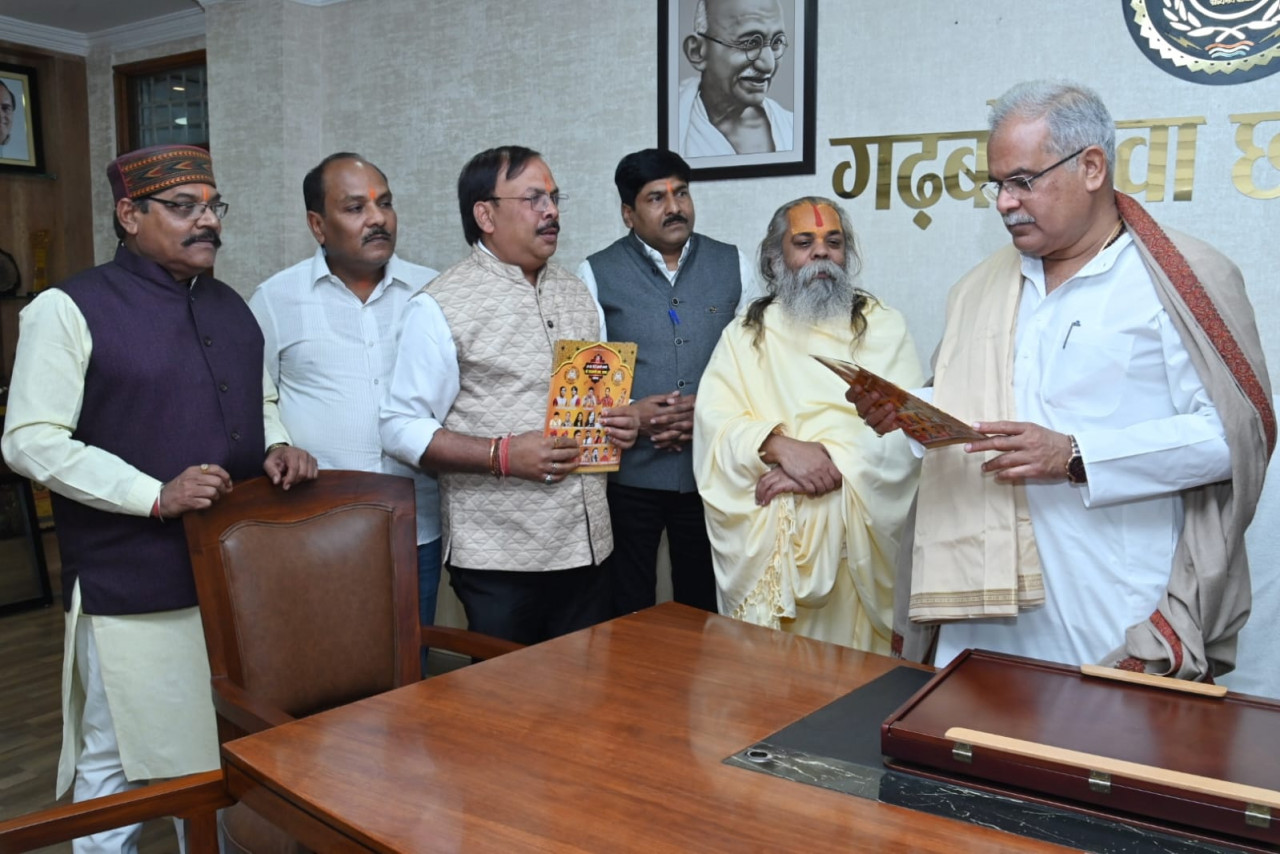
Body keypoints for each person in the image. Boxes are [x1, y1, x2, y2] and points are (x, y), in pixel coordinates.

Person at [850, 81, 1274, 680]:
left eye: (1023, 180)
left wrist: (1076, 455)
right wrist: (910, 413)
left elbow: (1231, 440)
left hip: (1107, 602)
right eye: (997, 184)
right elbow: (979, 408)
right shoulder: (981, 288)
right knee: (961, 756)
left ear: (1092, 167)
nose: (1004, 202)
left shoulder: (1177, 282)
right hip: (979, 599)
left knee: (1098, 759)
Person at [1, 144, 317, 853]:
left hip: (234, 577)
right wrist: (152, 495)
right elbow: (28, 440)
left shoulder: (230, 304)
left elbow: (256, 401)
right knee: (120, 762)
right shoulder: (69, 307)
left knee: (212, 752)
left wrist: (278, 446)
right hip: (132, 581)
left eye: (213, 206)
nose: (207, 222)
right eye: (184, 208)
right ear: (128, 214)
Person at [380, 145, 638, 644]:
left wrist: (620, 423)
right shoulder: (440, 305)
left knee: (588, 703)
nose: (552, 211)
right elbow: (399, 426)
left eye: (555, 197)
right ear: (485, 214)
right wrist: (501, 454)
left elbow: (593, 400)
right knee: (508, 713)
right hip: (500, 560)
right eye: (534, 198)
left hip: (589, 547)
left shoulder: (577, 292)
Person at [693, 196, 923, 652]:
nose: (821, 253)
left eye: (833, 242)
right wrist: (777, 446)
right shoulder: (747, 334)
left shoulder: (883, 326)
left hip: (860, 537)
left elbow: (909, 429)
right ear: (776, 259)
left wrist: (836, 463)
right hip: (777, 535)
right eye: (804, 242)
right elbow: (715, 423)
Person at [249, 152, 442, 674]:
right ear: (318, 224)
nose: (377, 218)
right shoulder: (276, 298)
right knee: (322, 669)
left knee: (408, 669)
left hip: (415, 523)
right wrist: (276, 444)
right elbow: (253, 396)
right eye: (355, 207)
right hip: (318, 524)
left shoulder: (434, 292)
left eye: (385, 204)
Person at [578, 148, 762, 616]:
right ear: (628, 213)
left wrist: (705, 409)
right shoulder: (595, 273)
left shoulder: (733, 262)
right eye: (656, 197)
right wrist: (639, 413)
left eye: (681, 193)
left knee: (703, 600)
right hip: (630, 473)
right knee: (627, 601)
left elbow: (754, 364)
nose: (674, 207)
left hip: (710, 470)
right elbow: (587, 382)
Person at [679, 0, 793, 157]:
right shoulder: (671, 124)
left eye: (776, 42)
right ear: (697, 51)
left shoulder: (791, 127)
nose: (768, 65)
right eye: (750, 43)